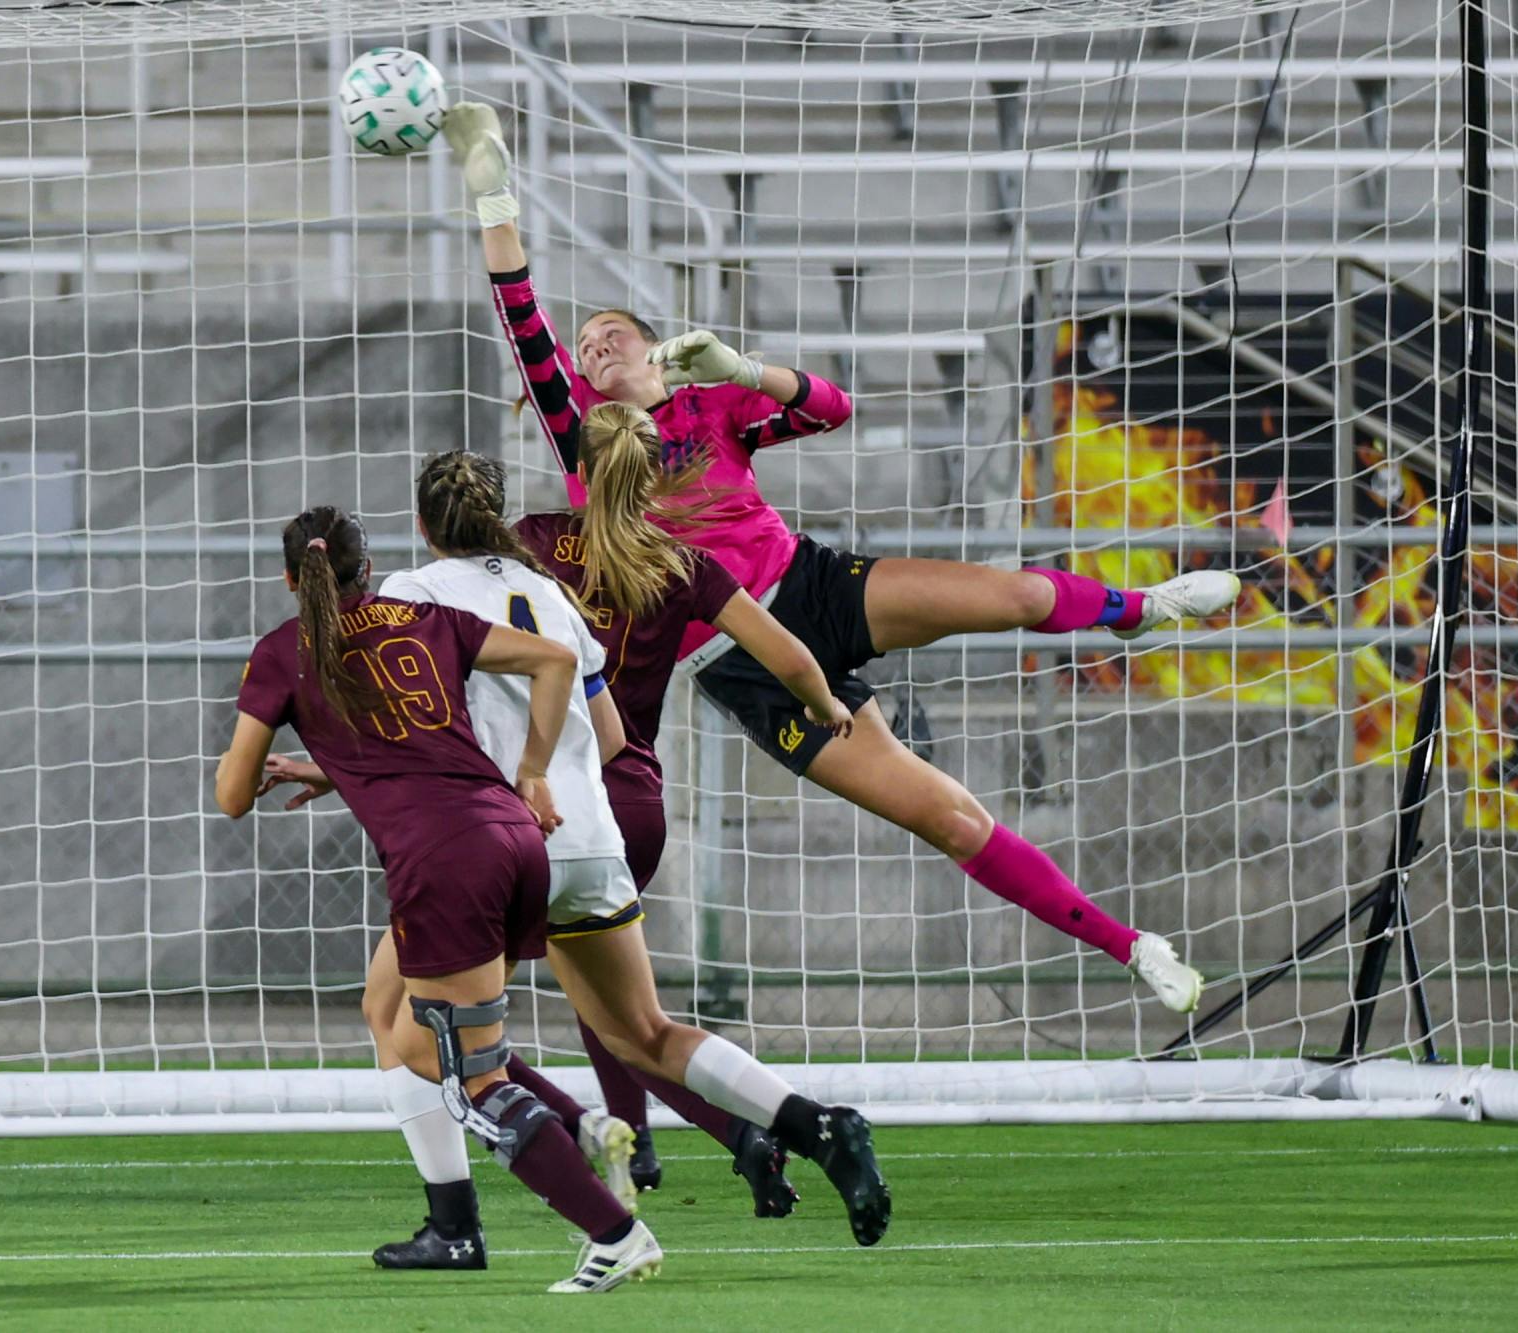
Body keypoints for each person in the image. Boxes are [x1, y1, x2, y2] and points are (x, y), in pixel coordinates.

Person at [441, 101, 1225, 1014]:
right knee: (949, 816)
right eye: (584, 346)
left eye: (610, 330)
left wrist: (745, 369)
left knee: (1013, 595)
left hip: (809, 585)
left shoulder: (712, 401)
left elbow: (832, 409)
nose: (592, 343)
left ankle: (1144, 610)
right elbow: (521, 315)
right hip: (740, 659)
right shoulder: (584, 431)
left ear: (653, 346)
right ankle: (1135, 948)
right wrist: (494, 195)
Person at [263, 463, 891, 1258]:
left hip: (493, 841)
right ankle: (817, 1123)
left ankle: (504, 1191)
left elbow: (411, 727)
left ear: (422, 527)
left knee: (406, 1031)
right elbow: (614, 734)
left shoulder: (412, 594)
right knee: (646, 1032)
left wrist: (468, 770)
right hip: (591, 831)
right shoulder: (549, 590)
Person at [216, 505, 659, 1294]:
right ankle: (506, 1186)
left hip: (446, 860)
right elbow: (556, 659)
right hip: (515, 836)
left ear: (289, 579)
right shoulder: (424, 618)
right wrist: (532, 771)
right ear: (368, 569)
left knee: (461, 1069)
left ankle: (614, 1230)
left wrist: (271, 757)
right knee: (401, 1024)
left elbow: (231, 796)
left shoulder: (285, 651)